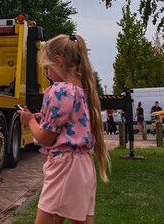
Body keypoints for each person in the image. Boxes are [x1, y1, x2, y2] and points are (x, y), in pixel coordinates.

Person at [18, 34, 109, 224]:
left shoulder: (60, 90)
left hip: (65, 166)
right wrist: (44, 118)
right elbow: (73, 123)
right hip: (83, 165)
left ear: (59, 60)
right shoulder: (83, 90)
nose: (47, 74)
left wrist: (29, 121)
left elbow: (45, 137)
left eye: (47, 68)